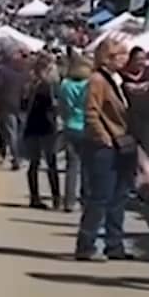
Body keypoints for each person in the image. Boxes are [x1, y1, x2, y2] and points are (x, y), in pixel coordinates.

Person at [79, 37, 137, 262]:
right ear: (108, 57)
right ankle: (86, 243)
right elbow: (91, 112)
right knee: (100, 197)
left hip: (123, 144)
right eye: (120, 54)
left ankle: (114, 244)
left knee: (119, 196)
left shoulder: (118, 79)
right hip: (106, 146)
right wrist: (104, 138)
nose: (125, 58)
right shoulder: (97, 80)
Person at [22, 56, 63, 210]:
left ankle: (35, 196)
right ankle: (56, 197)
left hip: (32, 126)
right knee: (50, 163)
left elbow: (24, 104)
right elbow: (53, 107)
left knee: (34, 163)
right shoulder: (48, 86)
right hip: (47, 127)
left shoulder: (30, 85)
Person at [56, 54, 92, 214]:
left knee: (72, 165)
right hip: (86, 126)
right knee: (87, 166)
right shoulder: (89, 85)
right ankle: (85, 199)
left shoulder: (65, 84)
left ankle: (69, 201)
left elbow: (62, 106)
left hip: (70, 125)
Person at [0, 51, 29, 169]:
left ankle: (16, 158)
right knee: (20, 133)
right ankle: (20, 156)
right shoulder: (25, 72)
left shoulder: (1, 72)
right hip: (22, 105)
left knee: (11, 133)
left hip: (7, 104)